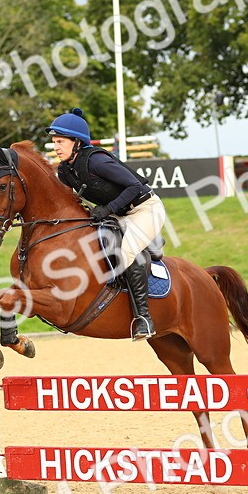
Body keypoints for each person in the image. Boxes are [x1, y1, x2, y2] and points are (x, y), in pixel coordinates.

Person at [49, 108, 164, 341]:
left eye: (60, 141)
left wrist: (108, 209)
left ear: (77, 142)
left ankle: (143, 318)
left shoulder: (97, 161)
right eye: (54, 142)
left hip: (145, 209)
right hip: (118, 215)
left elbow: (135, 186)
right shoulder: (66, 169)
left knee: (127, 252)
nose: (56, 147)